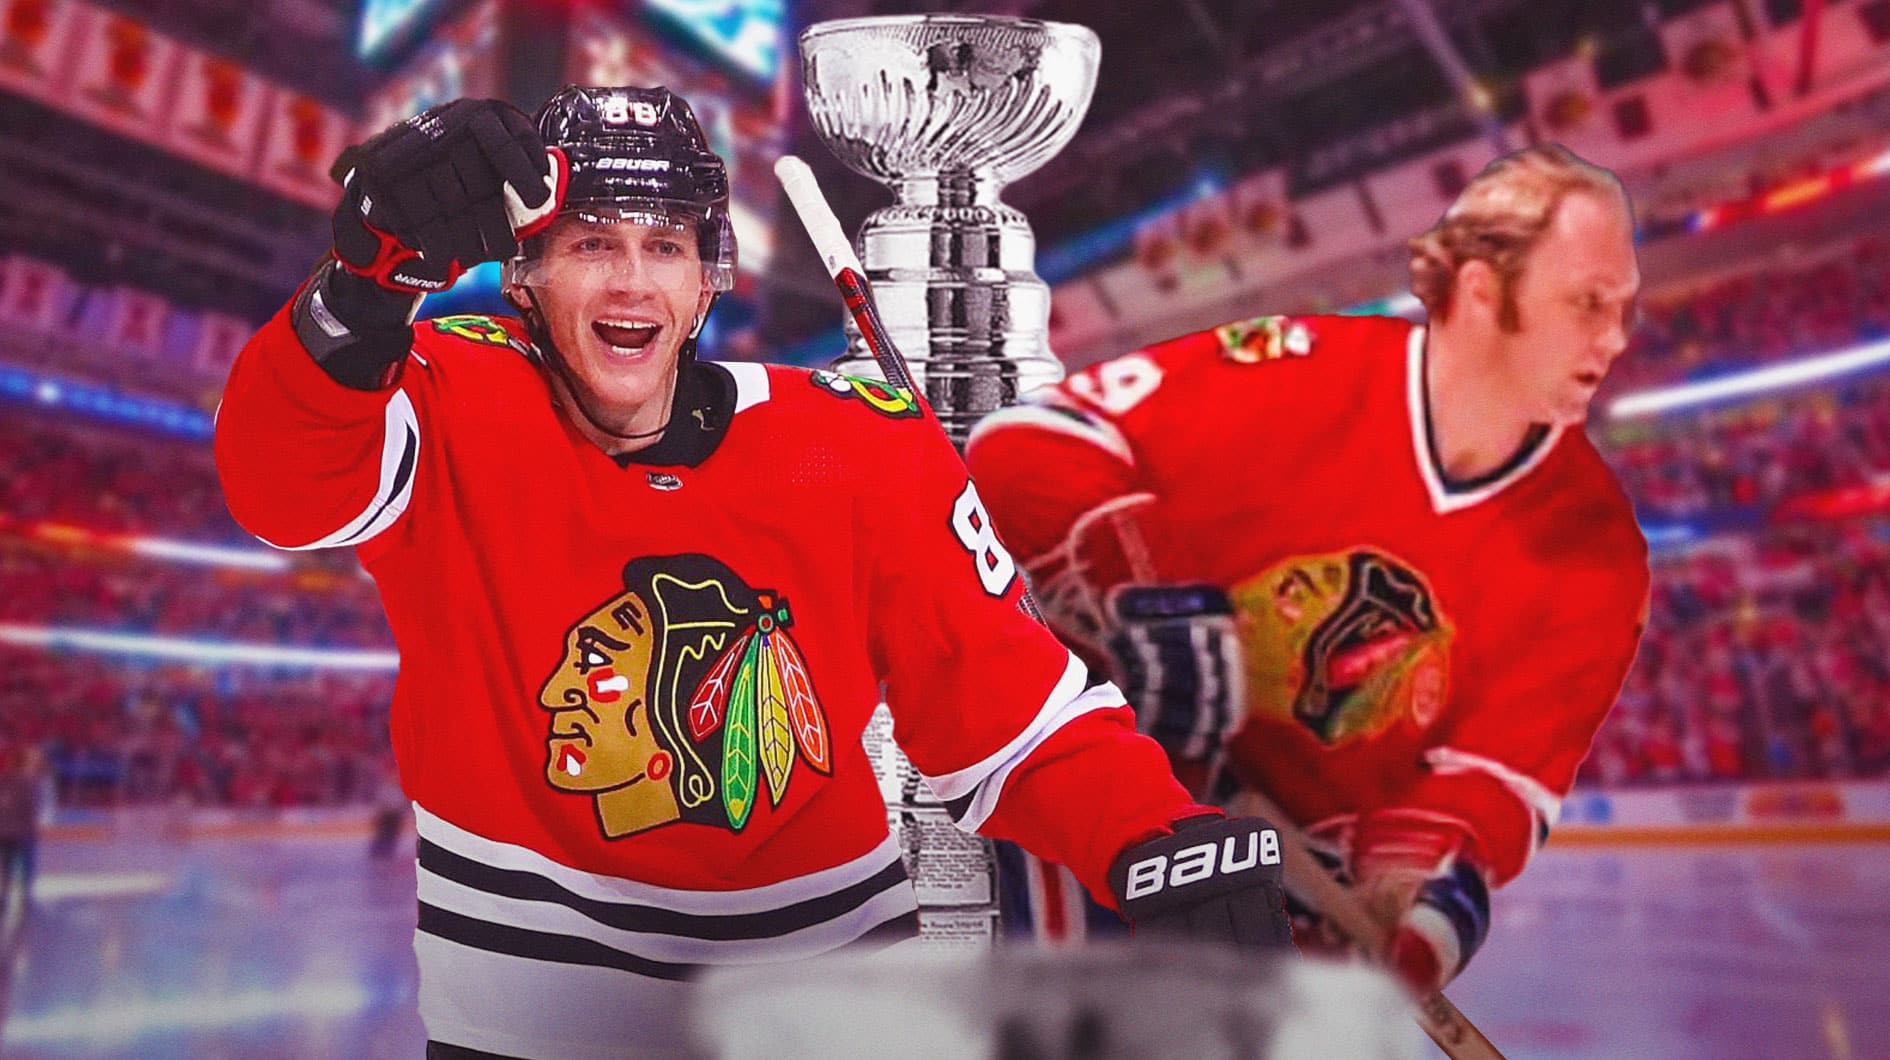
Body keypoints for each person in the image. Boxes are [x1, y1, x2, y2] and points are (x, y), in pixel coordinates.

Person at [214, 86, 1291, 1058]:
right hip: (526, 1034)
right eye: (591, 242)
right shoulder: (451, 394)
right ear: (529, 277)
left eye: (666, 245)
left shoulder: (859, 442)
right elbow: (281, 486)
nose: (632, 278)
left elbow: (1011, 709)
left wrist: (1155, 833)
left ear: (704, 279)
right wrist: (364, 287)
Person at [967, 144, 1650, 993]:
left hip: (1300, 889)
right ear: (1481, 290)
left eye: (1623, 309)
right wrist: (1154, 593)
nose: (1614, 339)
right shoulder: (1296, 374)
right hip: (1118, 821)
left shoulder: (1597, 553)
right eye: (1587, 304)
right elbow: (1028, 444)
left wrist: (1413, 916)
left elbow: (1495, 784)